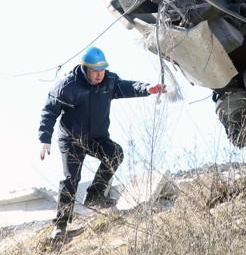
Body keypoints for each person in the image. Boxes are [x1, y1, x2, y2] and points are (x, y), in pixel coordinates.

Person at [38, 46, 167, 242]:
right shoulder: (68, 86)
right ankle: (60, 226)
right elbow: (50, 110)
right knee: (71, 178)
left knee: (115, 153)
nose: (99, 75)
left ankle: (95, 195)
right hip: (72, 140)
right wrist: (44, 138)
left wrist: (147, 89)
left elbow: (127, 87)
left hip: (96, 138)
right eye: (95, 71)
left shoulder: (109, 81)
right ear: (85, 69)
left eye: (102, 70)